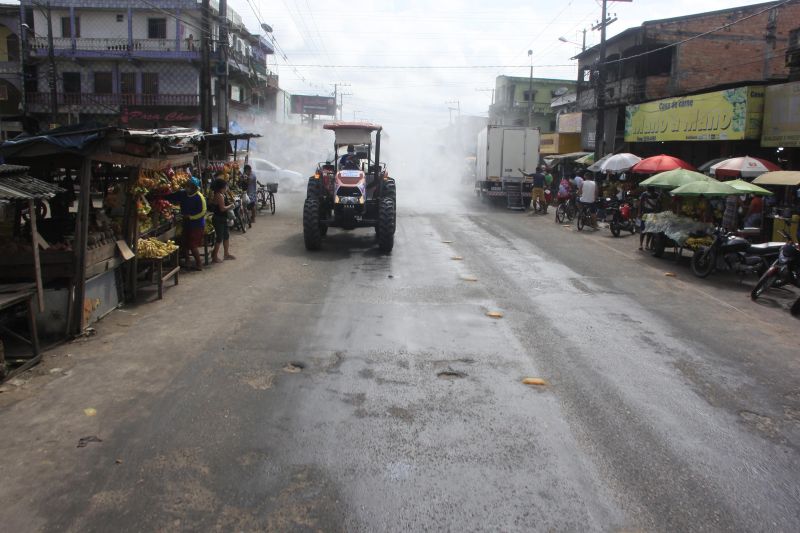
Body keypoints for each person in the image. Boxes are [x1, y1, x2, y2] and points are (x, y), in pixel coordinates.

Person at [164, 176, 206, 271]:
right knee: (184, 242)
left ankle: (199, 264)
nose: (186, 188)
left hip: (197, 224)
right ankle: (187, 260)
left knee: (192, 245)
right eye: (186, 186)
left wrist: (191, 217)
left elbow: (203, 212)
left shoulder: (199, 197)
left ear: (194, 188)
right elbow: (171, 196)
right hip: (186, 222)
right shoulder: (183, 194)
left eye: (188, 186)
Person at [210, 175, 235, 263]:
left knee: (226, 236)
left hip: (222, 218)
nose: (226, 188)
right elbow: (222, 208)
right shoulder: (219, 195)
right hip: (218, 219)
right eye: (225, 187)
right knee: (219, 238)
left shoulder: (221, 194)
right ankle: (214, 257)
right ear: (221, 188)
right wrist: (230, 206)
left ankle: (226, 254)